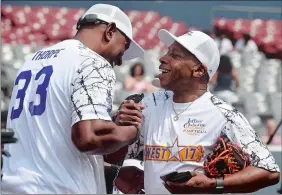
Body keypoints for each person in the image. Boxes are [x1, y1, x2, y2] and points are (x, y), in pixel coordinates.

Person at [1, 4, 144, 194]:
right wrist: (132, 131)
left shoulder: (32, 61)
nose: (119, 61)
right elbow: (89, 138)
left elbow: (49, 145)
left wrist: (111, 171)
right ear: (110, 31)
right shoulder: (93, 61)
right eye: (124, 47)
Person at [115, 29, 280, 194]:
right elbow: (113, 158)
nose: (163, 58)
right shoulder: (148, 104)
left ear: (199, 70)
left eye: (175, 55)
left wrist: (214, 184)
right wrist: (118, 129)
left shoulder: (223, 114)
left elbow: (270, 171)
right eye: (167, 52)